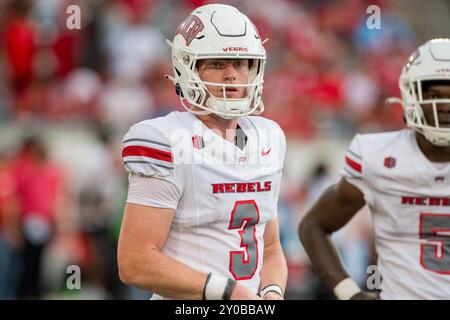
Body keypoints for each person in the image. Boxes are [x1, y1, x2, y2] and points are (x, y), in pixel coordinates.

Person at [117, 4, 287, 300]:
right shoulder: (164, 139)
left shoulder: (269, 137)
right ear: (187, 68)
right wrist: (228, 294)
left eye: (242, 63)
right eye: (218, 64)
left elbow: (270, 247)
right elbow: (135, 263)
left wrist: (272, 294)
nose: (232, 76)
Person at [299, 38, 450, 300]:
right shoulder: (380, 157)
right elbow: (313, 226)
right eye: (433, 95)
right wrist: (350, 294)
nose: (445, 106)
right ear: (412, 97)